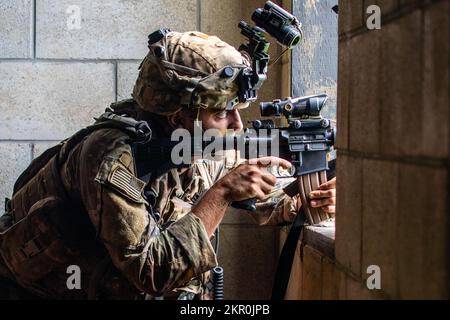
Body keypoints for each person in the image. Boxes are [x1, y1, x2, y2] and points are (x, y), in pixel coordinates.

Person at [0, 30, 336, 300]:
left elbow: (260, 195)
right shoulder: (112, 159)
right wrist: (221, 194)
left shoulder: (195, 141)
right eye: (222, 113)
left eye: (237, 109)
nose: (237, 125)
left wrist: (304, 199)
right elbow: (152, 272)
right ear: (179, 117)